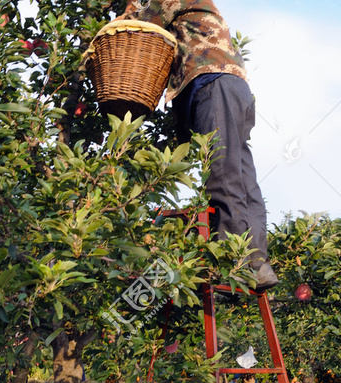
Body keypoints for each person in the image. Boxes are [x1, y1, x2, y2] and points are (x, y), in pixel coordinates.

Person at [117, 0, 278, 291]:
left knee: (221, 172)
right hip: (232, 85)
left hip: (213, 81)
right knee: (240, 174)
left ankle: (235, 261)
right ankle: (257, 263)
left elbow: (136, 25)